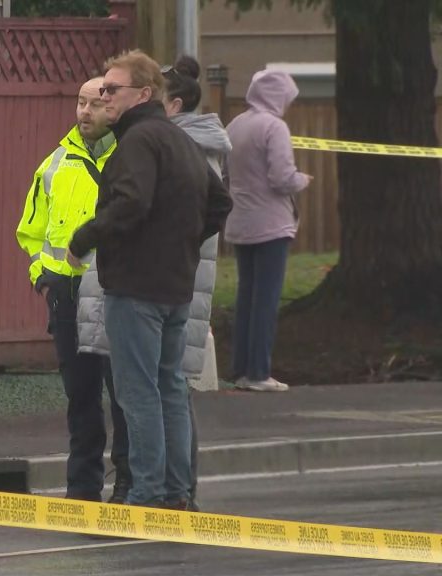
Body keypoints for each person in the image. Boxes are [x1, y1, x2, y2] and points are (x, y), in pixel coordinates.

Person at [67, 50, 232, 509]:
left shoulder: (138, 141)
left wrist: (84, 238)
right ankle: (178, 493)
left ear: (143, 94)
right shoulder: (180, 140)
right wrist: (181, 242)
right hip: (175, 286)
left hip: (136, 288)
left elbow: (132, 203)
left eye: (111, 89)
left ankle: (147, 494)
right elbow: (220, 203)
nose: (104, 97)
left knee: (139, 395)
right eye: (102, 89)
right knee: (170, 390)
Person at [15, 76, 125, 504]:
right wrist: (43, 278)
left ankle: (129, 483)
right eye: (79, 103)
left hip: (116, 291)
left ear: (112, 109)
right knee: (81, 398)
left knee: (124, 395)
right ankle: (82, 488)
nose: (84, 112)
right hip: (67, 295)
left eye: (94, 104)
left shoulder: (129, 158)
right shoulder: (55, 164)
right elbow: (31, 232)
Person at [225, 69, 312, 393]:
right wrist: (302, 180)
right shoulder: (275, 127)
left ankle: (240, 368)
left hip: (240, 220)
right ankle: (259, 372)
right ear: (278, 96)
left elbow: (224, 171)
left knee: (246, 296)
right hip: (272, 224)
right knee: (266, 299)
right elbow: (281, 177)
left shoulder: (236, 124)